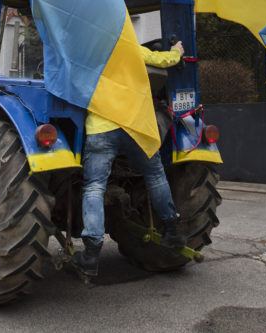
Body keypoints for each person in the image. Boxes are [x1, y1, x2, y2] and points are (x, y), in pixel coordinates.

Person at [72, 41, 187, 277]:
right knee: (155, 175)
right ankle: (172, 231)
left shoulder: (89, 51)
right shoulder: (131, 47)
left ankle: (91, 254)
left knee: (94, 186)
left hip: (102, 128)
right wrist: (176, 51)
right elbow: (162, 60)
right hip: (135, 127)